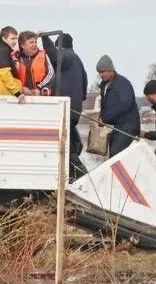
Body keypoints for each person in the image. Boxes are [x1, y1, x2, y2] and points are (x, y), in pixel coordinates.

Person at [42, 33, 87, 178]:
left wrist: (44, 38)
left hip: (66, 108)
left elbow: (55, 56)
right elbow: (85, 88)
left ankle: (82, 175)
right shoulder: (78, 61)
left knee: (66, 147)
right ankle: (72, 176)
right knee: (69, 144)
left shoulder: (67, 56)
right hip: (74, 109)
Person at [96, 55, 139, 156]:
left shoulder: (123, 83)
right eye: (99, 72)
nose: (100, 75)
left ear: (111, 70)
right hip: (118, 126)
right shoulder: (104, 85)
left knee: (116, 154)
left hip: (128, 126)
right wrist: (101, 117)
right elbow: (105, 105)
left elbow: (124, 105)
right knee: (113, 154)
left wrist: (105, 118)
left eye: (102, 71)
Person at [14, 30, 54, 96]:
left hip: (40, 96)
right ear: (22, 45)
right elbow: (10, 77)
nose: (35, 44)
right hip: (20, 96)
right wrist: (21, 88)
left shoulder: (43, 55)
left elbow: (51, 74)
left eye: (35, 42)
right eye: (31, 42)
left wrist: (39, 89)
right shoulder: (14, 57)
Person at [0, 26, 22, 96]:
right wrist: (17, 93)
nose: (15, 41)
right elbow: (5, 73)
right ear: (4, 38)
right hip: (1, 93)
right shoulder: (3, 50)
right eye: (12, 38)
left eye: (16, 38)